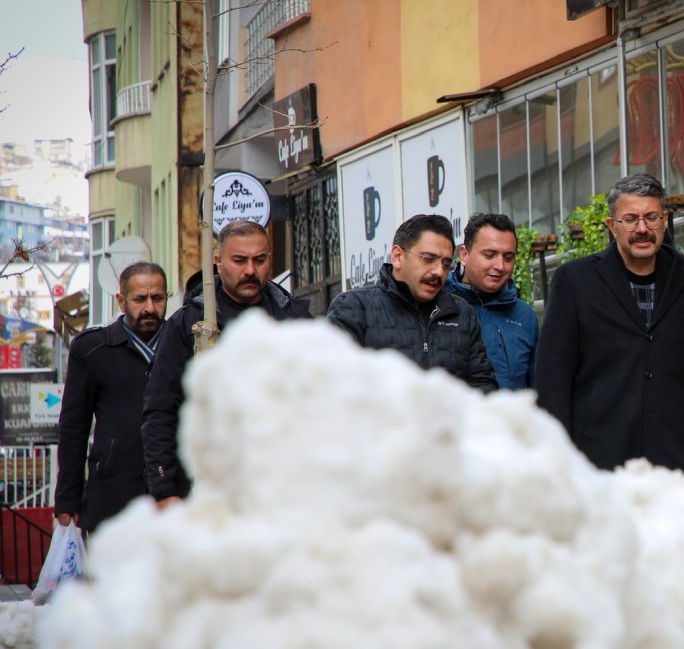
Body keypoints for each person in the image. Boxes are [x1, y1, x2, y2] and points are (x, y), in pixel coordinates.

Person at [534, 173, 684, 471]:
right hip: (600, 465)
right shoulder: (575, 283)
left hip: (679, 465)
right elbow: (553, 383)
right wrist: (556, 465)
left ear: (665, 219)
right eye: (630, 219)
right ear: (611, 226)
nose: (643, 228)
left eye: (651, 217)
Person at [142, 220, 311, 506]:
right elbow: (160, 410)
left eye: (259, 260)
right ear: (218, 262)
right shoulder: (189, 324)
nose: (249, 270)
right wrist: (164, 488)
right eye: (239, 260)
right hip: (208, 489)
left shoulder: (295, 321)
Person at [55, 262, 168, 533]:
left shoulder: (182, 345)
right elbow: (73, 428)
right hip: (112, 498)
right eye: (140, 299)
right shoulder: (93, 349)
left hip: (171, 496)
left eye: (158, 298)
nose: (150, 308)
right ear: (121, 300)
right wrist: (67, 499)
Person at [327, 214, 496, 391]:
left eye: (446, 263)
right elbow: (333, 388)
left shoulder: (461, 312)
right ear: (398, 256)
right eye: (428, 259)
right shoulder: (354, 307)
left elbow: (482, 386)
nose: (439, 271)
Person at [445, 213, 538, 390]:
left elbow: (536, 391)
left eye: (508, 257)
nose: (500, 266)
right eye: (489, 255)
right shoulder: (439, 305)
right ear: (464, 254)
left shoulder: (525, 317)